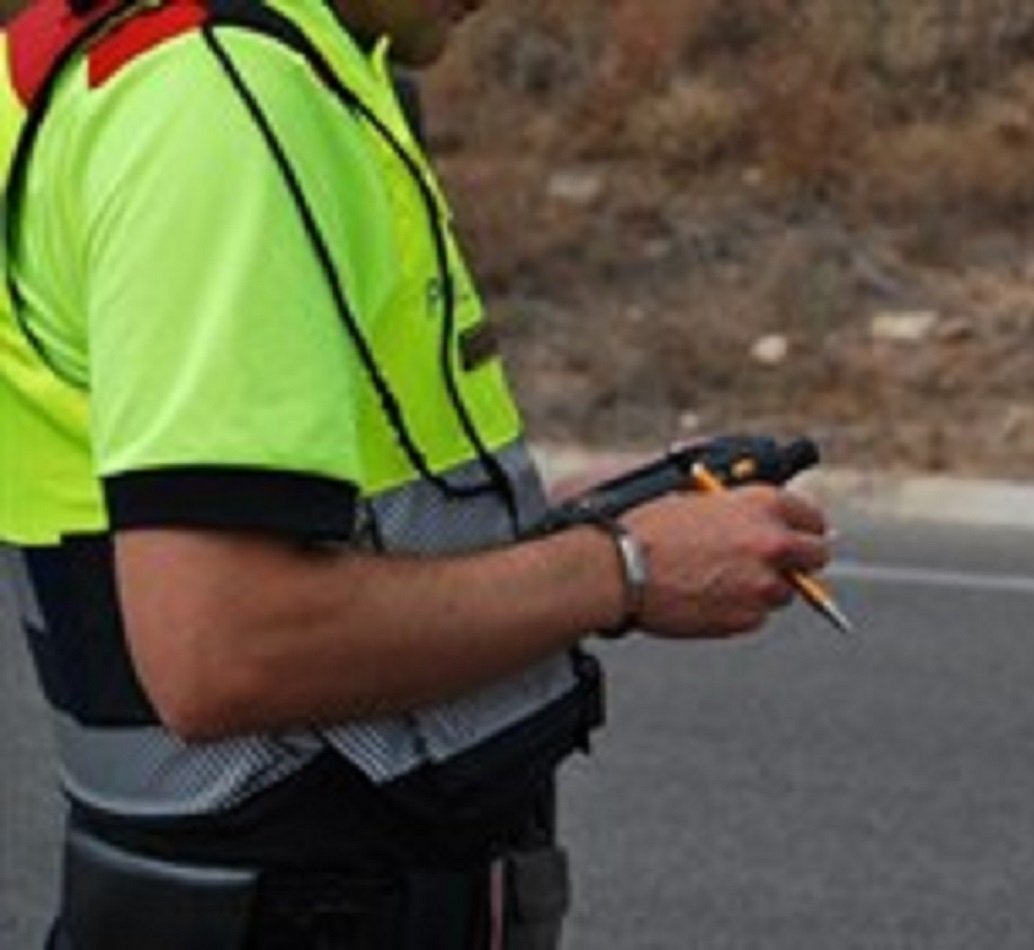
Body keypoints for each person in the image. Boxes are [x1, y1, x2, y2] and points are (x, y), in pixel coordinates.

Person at [0, 0, 833, 947]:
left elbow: (241, 497)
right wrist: (624, 568)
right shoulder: (218, 102)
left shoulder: (172, 52)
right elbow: (223, 645)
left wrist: (529, 525)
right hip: (307, 900)